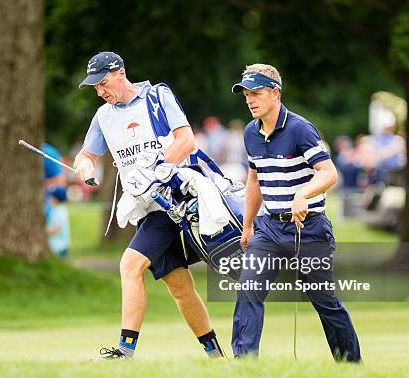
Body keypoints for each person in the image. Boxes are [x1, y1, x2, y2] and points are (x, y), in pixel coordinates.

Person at [73, 51, 224, 359]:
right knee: (180, 286)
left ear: (120, 73)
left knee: (129, 265)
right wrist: (85, 169)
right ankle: (215, 354)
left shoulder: (157, 96)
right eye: (95, 88)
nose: (100, 92)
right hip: (146, 209)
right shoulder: (104, 115)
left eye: (102, 83)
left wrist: (154, 171)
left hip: (174, 198)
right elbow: (86, 156)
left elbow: (186, 142)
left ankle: (125, 352)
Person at [231, 64, 361, 362]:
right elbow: (254, 179)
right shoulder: (251, 133)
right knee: (248, 289)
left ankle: (352, 365)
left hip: (309, 228)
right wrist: (248, 224)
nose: (250, 100)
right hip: (269, 229)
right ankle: (244, 364)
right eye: (247, 95)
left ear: (275, 93)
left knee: (324, 301)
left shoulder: (300, 128)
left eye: (256, 93)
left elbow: (328, 173)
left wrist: (302, 194)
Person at [45, 186, 71, 258]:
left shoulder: (58, 212)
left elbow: (55, 231)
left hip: (59, 248)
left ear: (56, 199)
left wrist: (40, 230)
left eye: (51, 196)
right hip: (60, 247)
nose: (49, 198)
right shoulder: (60, 209)